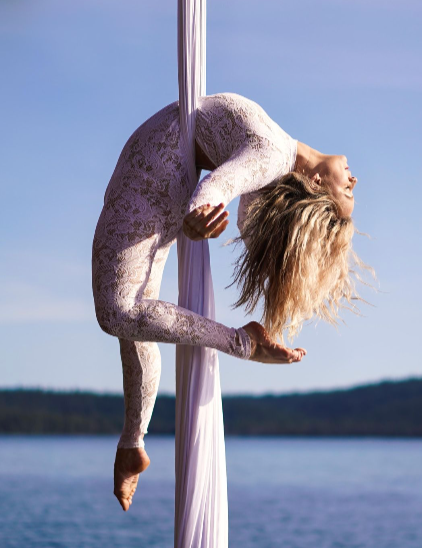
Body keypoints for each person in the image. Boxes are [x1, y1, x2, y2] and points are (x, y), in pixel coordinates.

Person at [91, 93, 362, 511]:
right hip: (158, 171)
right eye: (352, 188)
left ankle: (240, 345)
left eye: (347, 194)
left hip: (157, 173)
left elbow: (219, 185)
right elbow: (234, 200)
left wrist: (201, 212)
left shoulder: (273, 156)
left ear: (320, 187)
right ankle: (132, 440)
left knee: (121, 312)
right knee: (133, 315)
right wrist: (203, 212)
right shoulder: (276, 153)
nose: (354, 182)